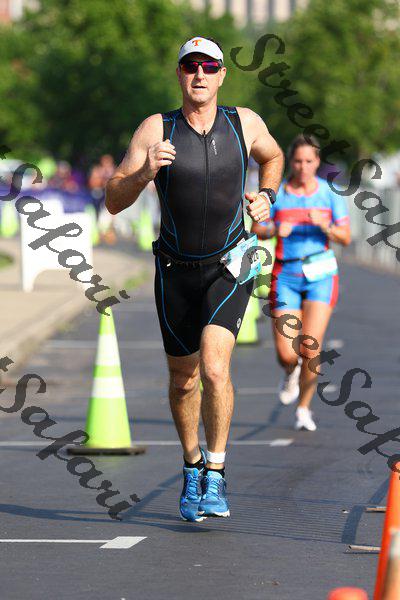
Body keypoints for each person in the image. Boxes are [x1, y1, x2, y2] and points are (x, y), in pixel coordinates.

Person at [105, 36, 284, 521]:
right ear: (179, 74)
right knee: (183, 380)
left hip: (231, 263)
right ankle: (192, 466)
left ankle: (217, 473)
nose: (199, 74)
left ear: (222, 74)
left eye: (209, 66)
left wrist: (268, 196)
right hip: (174, 270)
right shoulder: (156, 128)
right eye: (190, 66)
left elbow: (273, 157)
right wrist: (144, 172)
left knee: (215, 368)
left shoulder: (244, 123)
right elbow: (113, 200)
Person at [252, 135, 351, 431]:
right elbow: (257, 227)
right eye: (297, 161)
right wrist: (274, 229)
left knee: (310, 349)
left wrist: (326, 226)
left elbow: (346, 237)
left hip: (321, 275)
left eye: (309, 161)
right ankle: (289, 372)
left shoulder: (329, 194)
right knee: (287, 353)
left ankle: (304, 408)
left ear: (317, 162)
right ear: (290, 162)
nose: (303, 167)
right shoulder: (279, 193)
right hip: (286, 274)